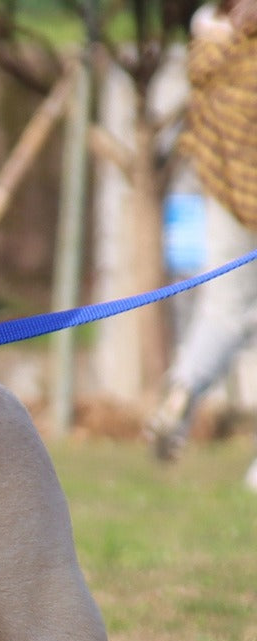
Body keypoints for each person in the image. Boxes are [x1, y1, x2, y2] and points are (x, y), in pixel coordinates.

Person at [148, 0, 257, 488]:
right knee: (232, 313)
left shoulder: (209, 38)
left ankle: (185, 385)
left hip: (225, 187)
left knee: (223, 310)